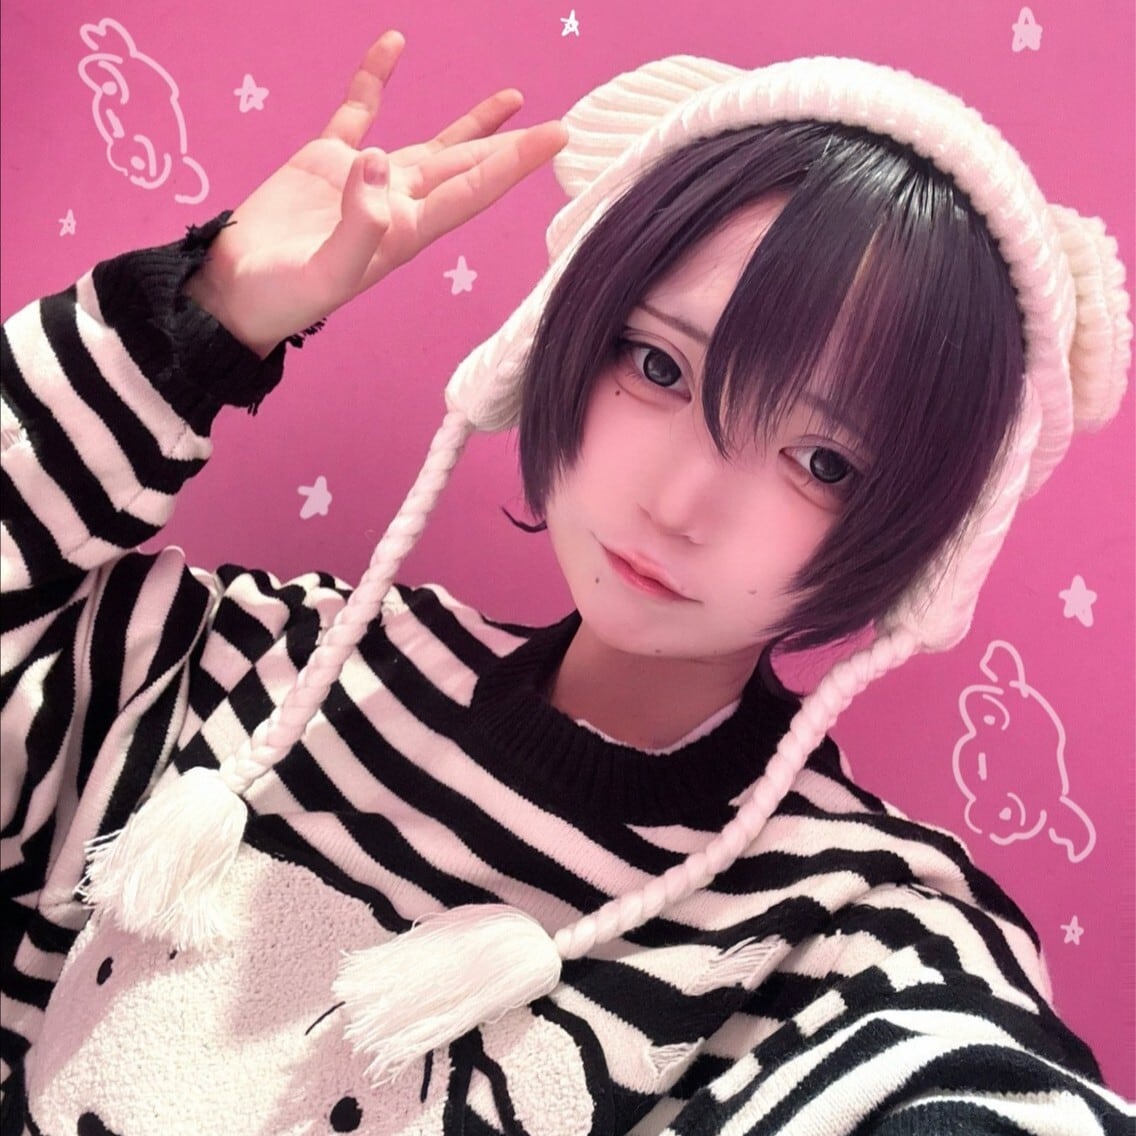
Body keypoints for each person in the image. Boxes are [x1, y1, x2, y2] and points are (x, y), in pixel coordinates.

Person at [1, 28, 1131, 1135]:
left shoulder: (856, 931)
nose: (679, 503)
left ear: (922, 539)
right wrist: (208, 317)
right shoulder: (267, 665)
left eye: (822, 462)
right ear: (557, 340)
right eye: (658, 365)